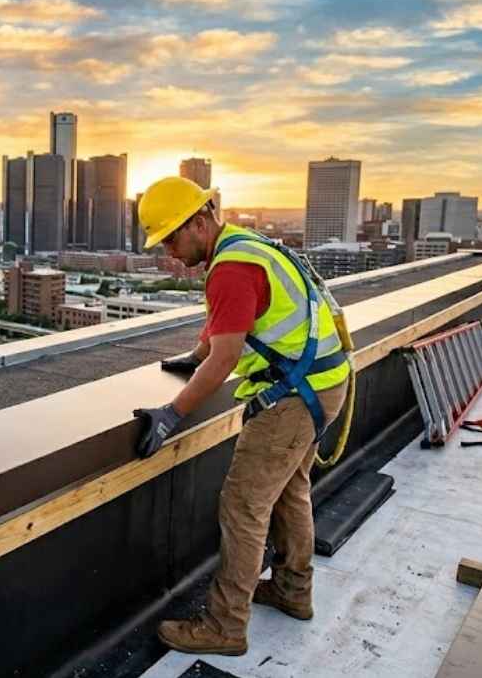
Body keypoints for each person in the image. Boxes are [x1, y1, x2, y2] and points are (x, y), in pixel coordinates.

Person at [132, 176, 350, 656]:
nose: (168, 250)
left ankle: (225, 626)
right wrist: (196, 353)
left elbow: (226, 357)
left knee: (243, 506)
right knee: (291, 491)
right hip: (321, 383)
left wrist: (172, 413)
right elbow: (231, 324)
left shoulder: (230, 266)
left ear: (201, 219)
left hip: (292, 398)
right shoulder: (245, 246)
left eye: (171, 236)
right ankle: (294, 592)